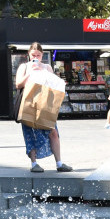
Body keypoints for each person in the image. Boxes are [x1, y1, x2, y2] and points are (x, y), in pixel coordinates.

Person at [15, 42, 72, 173]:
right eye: (33, 54)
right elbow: (18, 84)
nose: (36, 57)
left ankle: (59, 163)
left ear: (42, 55)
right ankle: (34, 163)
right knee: (30, 133)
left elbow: (53, 84)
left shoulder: (47, 67)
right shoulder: (24, 67)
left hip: (45, 103)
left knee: (53, 132)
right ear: (29, 54)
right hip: (29, 104)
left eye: (38, 55)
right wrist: (30, 73)